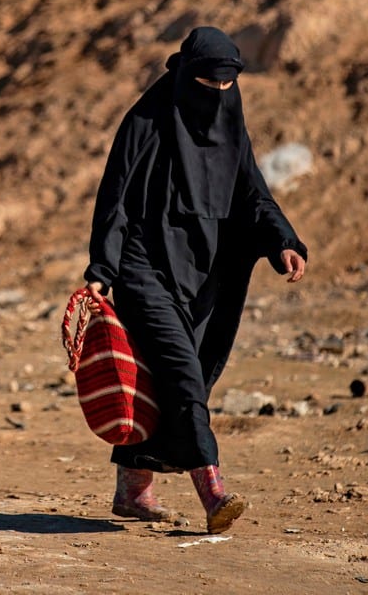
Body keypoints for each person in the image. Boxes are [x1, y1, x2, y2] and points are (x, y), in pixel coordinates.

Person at [84, 26, 307, 534]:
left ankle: (133, 489)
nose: (220, 96)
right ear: (186, 75)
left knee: (173, 378)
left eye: (229, 86)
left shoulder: (231, 122)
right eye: (209, 84)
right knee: (183, 375)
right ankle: (214, 491)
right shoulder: (146, 119)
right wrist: (102, 268)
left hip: (206, 273)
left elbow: (254, 193)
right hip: (143, 268)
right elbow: (114, 197)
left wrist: (283, 242)